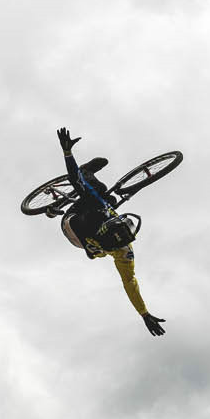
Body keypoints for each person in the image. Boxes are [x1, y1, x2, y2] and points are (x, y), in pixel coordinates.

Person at [56, 127, 166, 336]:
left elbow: (73, 177)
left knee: (100, 192)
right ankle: (83, 192)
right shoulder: (125, 252)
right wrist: (144, 313)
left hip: (71, 221)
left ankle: (86, 173)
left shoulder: (98, 209)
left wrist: (67, 153)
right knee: (110, 200)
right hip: (79, 240)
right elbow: (129, 282)